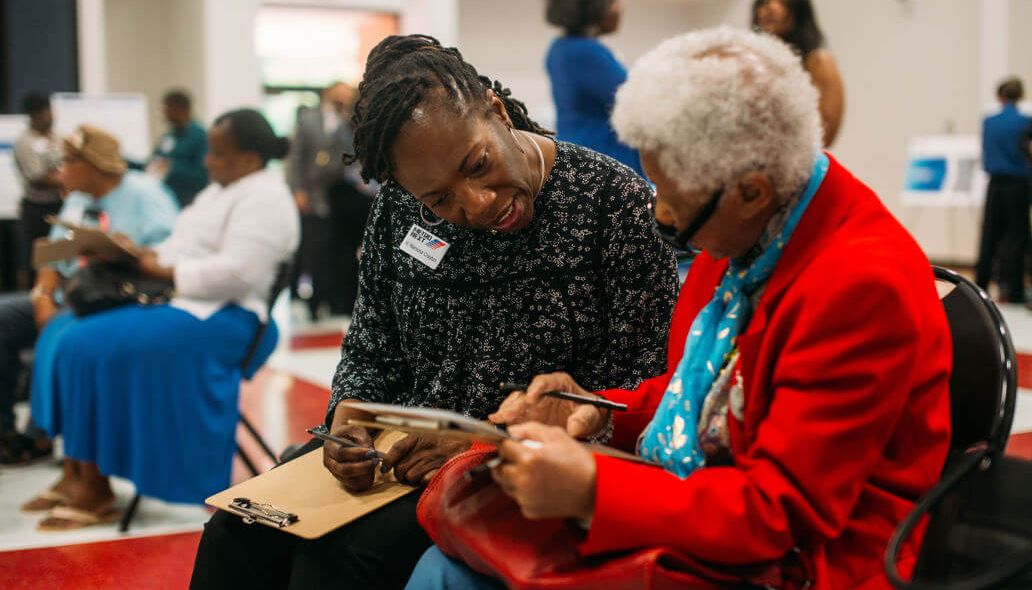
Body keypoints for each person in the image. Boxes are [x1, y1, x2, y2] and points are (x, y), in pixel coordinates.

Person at [407, 27, 951, 590]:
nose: (661, 216)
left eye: (672, 200)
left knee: (452, 572)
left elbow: (780, 515)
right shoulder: (751, 227)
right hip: (717, 504)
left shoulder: (860, 284)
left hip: (809, 561)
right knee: (445, 564)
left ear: (751, 191)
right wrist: (594, 412)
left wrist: (591, 487)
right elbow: (697, 398)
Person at [189, 34, 677, 590]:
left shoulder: (610, 203)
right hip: (399, 452)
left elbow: (636, 387)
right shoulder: (399, 212)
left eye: (478, 164)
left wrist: (483, 437)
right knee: (235, 531)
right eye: (439, 200)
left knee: (338, 563)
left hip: (517, 463)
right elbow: (371, 347)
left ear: (495, 110)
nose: (476, 204)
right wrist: (348, 423)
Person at [22, 109, 299, 529]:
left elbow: (239, 274)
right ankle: (76, 470)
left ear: (248, 158)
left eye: (217, 153)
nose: (207, 161)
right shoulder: (222, 191)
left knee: (82, 344)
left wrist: (161, 270)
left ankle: (95, 487)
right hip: (190, 306)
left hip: (230, 320)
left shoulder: (267, 197)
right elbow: (182, 245)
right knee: (66, 329)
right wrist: (143, 256)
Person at [0, 125, 177, 465]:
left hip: (119, 299)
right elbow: (51, 254)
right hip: (74, 294)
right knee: (5, 319)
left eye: (68, 162)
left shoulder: (146, 194)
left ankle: (45, 436)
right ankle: (8, 433)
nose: (60, 171)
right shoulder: (77, 199)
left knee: (65, 334)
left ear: (94, 165)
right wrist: (42, 295)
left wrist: (127, 252)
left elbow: (167, 257)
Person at [287, 81, 374, 318]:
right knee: (315, 249)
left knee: (341, 249)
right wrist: (298, 190)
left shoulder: (351, 121)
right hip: (315, 194)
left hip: (344, 194)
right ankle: (316, 302)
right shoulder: (309, 120)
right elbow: (296, 158)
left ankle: (341, 301)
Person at [545, 0, 643, 176]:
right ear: (594, 7)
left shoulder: (560, 47)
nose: (620, 9)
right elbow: (636, 100)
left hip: (582, 155)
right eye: (614, 2)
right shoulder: (584, 51)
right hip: (603, 162)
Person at [753, 0, 844, 147]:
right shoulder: (751, 63)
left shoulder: (819, 62)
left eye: (781, 1)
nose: (770, 7)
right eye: (764, 2)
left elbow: (826, 135)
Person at [975, 77, 1031, 304]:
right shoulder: (1025, 121)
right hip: (1019, 184)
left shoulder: (989, 121)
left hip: (995, 183)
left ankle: (980, 286)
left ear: (999, 96)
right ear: (1020, 96)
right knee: (1016, 237)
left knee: (989, 235)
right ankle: (1013, 290)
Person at [13, 93, 64, 285]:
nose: (49, 116)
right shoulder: (25, 142)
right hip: (37, 209)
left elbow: (66, 164)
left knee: (60, 256)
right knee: (39, 260)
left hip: (59, 206)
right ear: (33, 115)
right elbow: (37, 178)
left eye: (50, 111)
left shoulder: (57, 138)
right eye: (44, 113)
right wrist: (67, 180)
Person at [148, 89, 209, 208]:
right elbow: (153, 162)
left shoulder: (200, 136)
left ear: (181, 109)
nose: (164, 114)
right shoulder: (168, 136)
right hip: (164, 198)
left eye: (167, 109)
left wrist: (171, 167)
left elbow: (203, 175)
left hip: (189, 201)